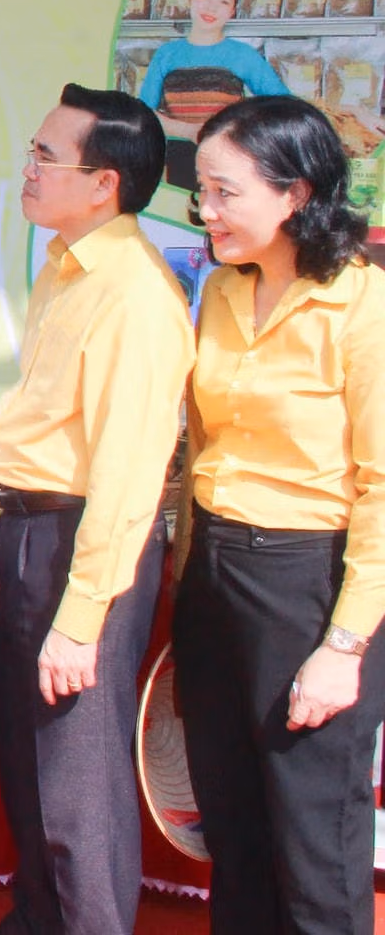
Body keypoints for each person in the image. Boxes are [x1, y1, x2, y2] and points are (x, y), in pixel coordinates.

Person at [0, 85, 195, 935]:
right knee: (31, 762)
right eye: (32, 149)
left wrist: (82, 618)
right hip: (32, 533)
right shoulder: (67, 266)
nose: (28, 168)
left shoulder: (135, 294)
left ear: (104, 183)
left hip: (82, 543)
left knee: (77, 784)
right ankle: (38, 920)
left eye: (46, 157)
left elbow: (128, 475)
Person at [175, 95, 385, 934]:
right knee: (233, 821)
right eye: (201, 190)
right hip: (216, 570)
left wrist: (345, 646)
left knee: (313, 833)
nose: (207, 210)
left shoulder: (363, 304)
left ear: (296, 193)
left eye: (226, 192)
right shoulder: (224, 290)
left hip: (309, 582)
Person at [135, 0, 288, 189]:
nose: (211, 8)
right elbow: (143, 115)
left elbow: (284, 105)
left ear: (232, 11)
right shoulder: (167, 54)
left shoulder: (242, 55)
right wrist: (188, 131)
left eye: (224, 2)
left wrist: (242, 130)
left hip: (229, 159)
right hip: (176, 162)